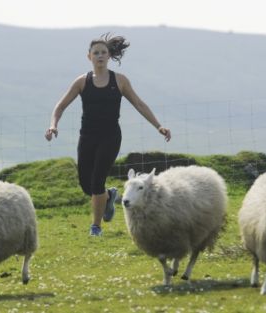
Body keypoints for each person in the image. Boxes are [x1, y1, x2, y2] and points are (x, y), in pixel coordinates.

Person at [45, 34, 171, 236]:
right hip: (87, 137)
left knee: (97, 181)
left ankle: (96, 227)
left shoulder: (120, 81)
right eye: (96, 53)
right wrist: (53, 125)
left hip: (110, 137)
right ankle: (109, 196)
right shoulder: (82, 82)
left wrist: (159, 126)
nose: (100, 56)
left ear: (109, 55)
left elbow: (139, 104)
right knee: (87, 185)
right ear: (89, 57)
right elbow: (60, 106)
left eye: (104, 52)